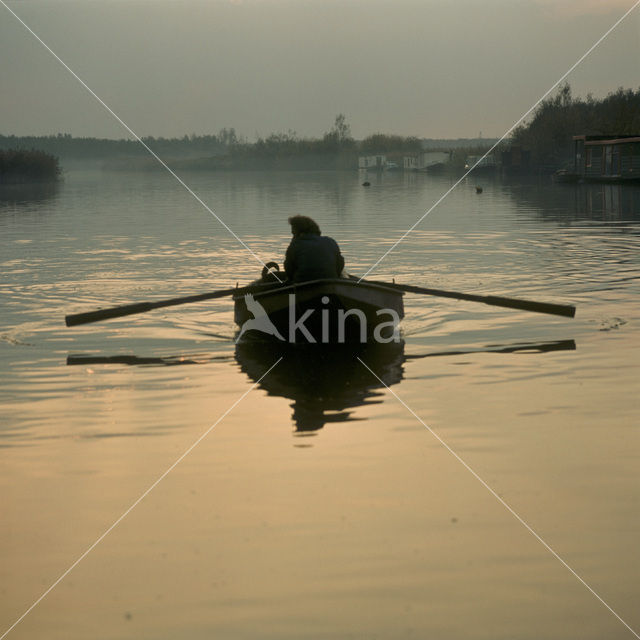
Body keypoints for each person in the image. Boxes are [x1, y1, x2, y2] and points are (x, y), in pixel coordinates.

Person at [284, 215, 345, 282]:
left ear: (300, 233)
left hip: (303, 285)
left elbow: (289, 271)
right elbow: (340, 265)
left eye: (293, 233)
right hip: (330, 282)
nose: (293, 236)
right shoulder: (330, 241)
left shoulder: (295, 245)